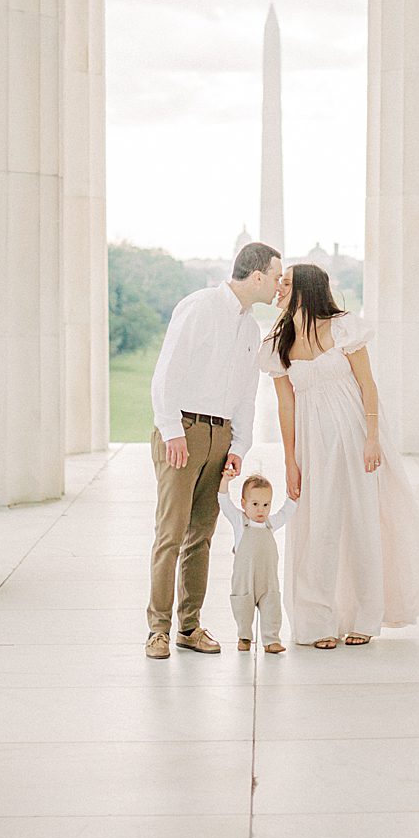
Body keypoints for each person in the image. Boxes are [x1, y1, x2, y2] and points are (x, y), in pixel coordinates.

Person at [259, 263, 419, 648]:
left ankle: (364, 615)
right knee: (317, 528)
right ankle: (316, 621)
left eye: (286, 283)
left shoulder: (344, 328)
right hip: (313, 446)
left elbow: (367, 385)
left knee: (361, 523)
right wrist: (290, 461)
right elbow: (286, 407)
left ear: (306, 289)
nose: (278, 287)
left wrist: (372, 437)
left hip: (356, 437)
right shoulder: (278, 343)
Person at [145, 241, 282, 659]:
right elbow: (167, 370)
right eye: (276, 277)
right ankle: (158, 631)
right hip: (182, 430)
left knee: (201, 536)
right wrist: (172, 430)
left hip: (220, 438)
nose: (278, 285)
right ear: (256, 276)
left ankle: (189, 627)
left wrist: (239, 444)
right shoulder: (199, 307)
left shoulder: (249, 329)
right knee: (171, 534)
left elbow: (245, 393)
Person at [217, 471, 297, 653]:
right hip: (244, 580)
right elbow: (224, 502)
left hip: (267, 580)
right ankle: (244, 636)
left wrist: (293, 494)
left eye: (266, 505)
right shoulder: (240, 522)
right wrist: (225, 481)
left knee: (272, 607)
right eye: (255, 504)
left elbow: (287, 511)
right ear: (243, 504)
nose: (261, 510)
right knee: (243, 608)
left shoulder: (270, 524)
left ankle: (271, 640)